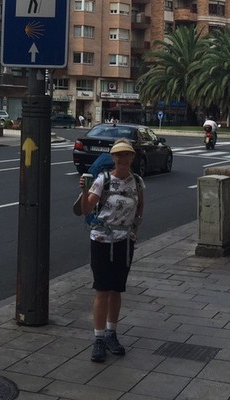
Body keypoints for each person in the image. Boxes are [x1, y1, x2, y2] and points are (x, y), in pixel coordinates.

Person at [79, 139, 145, 363]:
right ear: (113, 158)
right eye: (119, 155)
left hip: (124, 242)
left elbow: (140, 207)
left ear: (132, 158)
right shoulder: (102, 181)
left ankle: (111, 333)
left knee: (117, 289)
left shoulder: (137, 181)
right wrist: (83, 190)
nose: (123, 159)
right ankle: (98, 339)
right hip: (101, 240)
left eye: (127, 155)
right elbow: (86, 209)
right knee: (102, 290)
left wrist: (133, 230)